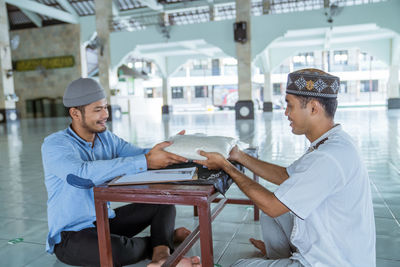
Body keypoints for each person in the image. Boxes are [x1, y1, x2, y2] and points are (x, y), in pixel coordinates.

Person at [195, 69, 376, 267]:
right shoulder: (333, 142)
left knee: (239, 265)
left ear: (314, 108)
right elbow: (285, 175)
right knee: (274, 218)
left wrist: (227, 167)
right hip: (335, 247)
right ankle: (280, 261)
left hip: (333, 261)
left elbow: (272, 205)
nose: (286, 113)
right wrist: (239, 156)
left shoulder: (328, 157)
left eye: (290, 105)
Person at [41, 78, 201, 267]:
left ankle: (160, 257)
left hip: (103, 221)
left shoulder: (106, 138)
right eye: (97, 109)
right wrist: (145, 160)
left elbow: (142, 155)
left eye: (105, 107)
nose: (105, 114)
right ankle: (162, 241)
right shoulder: (55, 144)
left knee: (163, 201)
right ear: (75, 113)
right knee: (117, 251)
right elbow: (80, 175)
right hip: (71, 236)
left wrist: (175, 149)